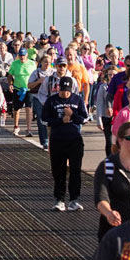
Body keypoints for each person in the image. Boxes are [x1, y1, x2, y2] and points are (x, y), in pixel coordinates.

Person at [43, 75, 88, 212]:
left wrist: (72, 115)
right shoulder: (52, 101)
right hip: (57, 140)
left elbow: (85, 119)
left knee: (75, 171)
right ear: (58, 88)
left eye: (68, 90)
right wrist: (60, 120)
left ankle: (74, 200)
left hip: (74, 140)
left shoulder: (77, 99)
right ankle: (59, 199)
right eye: (63, 90)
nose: (65, 93)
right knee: (59, 172)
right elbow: (44, 120)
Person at [28, 55, 55, 149]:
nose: (47, 64)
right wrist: (39, 81)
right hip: (38, 98)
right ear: (41, 62)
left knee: (51, 119)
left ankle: (52, 139)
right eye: (45, 62)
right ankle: (44, 141)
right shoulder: (36, 73)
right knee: (41, 119)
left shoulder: (53, 72)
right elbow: (29, 85)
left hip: (50, 98)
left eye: (49, 62)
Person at [8, 48, 37, 136]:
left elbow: (36, 75)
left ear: (27, 55)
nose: (22, 57)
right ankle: (16, 126)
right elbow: (9, 75)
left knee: (29, 108)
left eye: (23, 55)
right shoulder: (14, 64)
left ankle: (28, 129)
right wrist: (10, 84)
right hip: (18, 89)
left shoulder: (32, 64)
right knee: (17, 109)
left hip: (28, 89)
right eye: (20, 55)